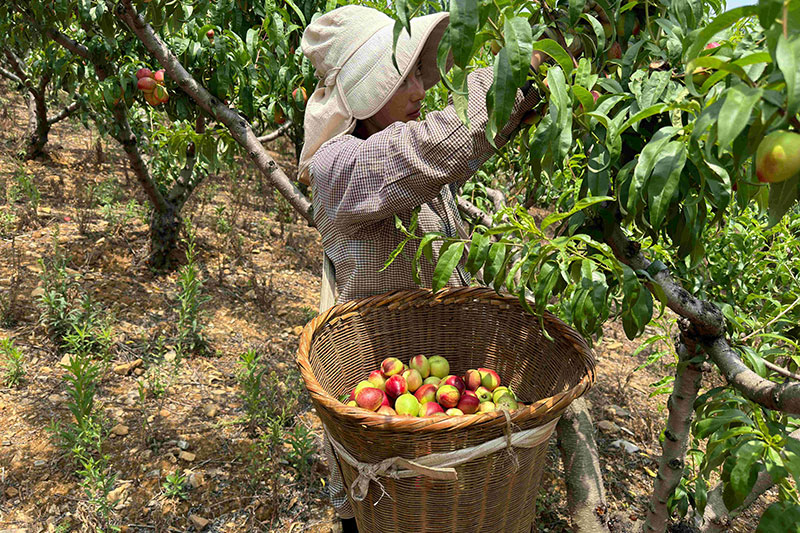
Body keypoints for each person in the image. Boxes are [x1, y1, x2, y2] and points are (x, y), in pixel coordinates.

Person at [298, 5, 545, 531]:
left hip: (439, 403)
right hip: (383, 424)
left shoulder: (394, 157)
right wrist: (519, 69)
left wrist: (532, 100)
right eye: (403, 76)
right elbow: (429, 147)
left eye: (417, 73)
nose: (420, 89)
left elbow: (458, 150)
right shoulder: (339, 168)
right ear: (364, 94)